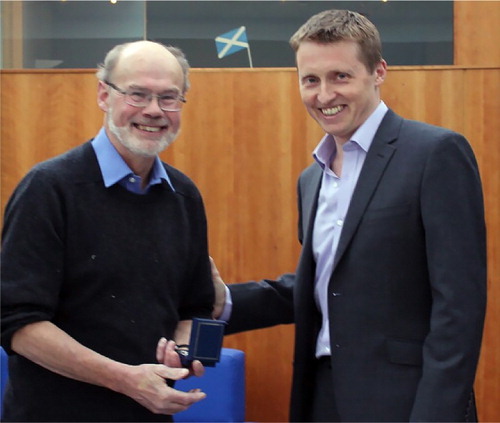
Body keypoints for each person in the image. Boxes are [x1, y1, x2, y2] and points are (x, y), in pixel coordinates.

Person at [211, 9, 487, 422]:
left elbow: (459, 307)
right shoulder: (311, 179)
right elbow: (323, 286)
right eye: (310, 80)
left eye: (340, 76)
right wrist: (226, 302)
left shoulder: (435, 154)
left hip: (408, 403)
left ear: (378, 72)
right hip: (323, 396)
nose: (324, 95)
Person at [1, 40, 214, 422]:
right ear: (104, 94)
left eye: (169, 97)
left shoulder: (184, 196)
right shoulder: (48, 188)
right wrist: (125, 379)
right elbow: (18, 324)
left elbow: (195, 308)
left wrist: (184, 353)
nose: (153, 110)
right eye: (137, 94)